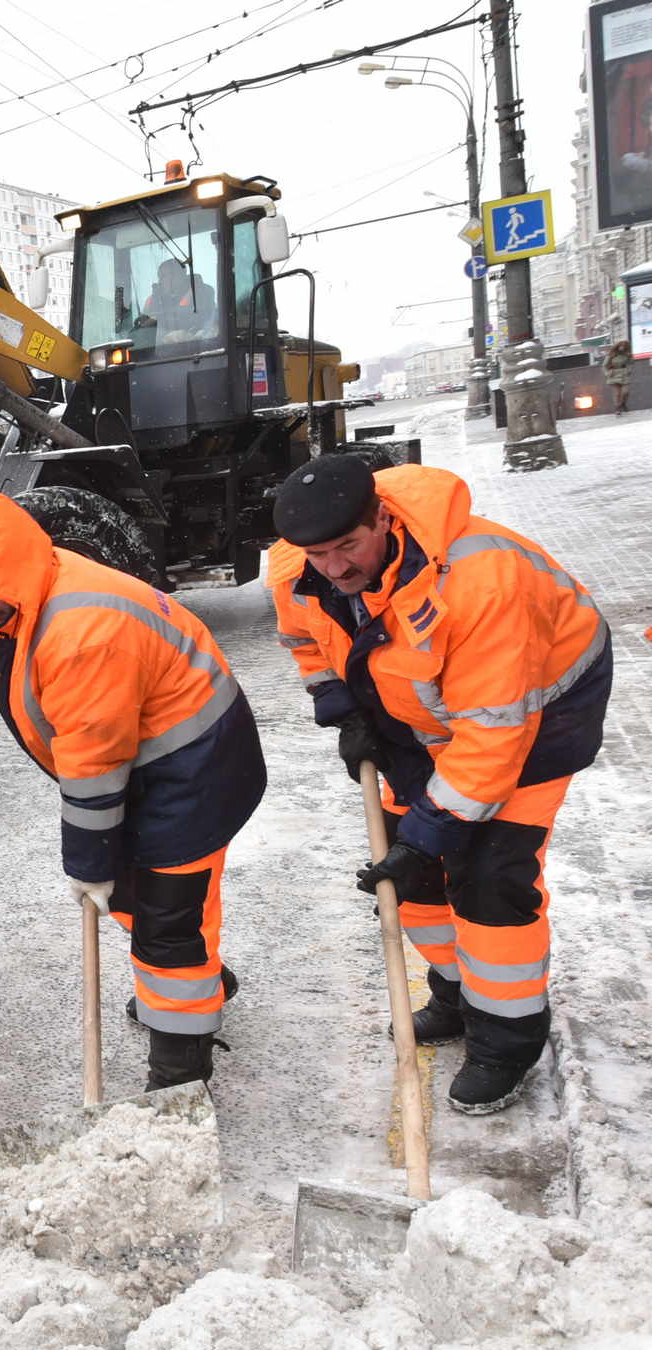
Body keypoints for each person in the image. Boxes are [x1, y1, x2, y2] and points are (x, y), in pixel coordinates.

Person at [270, 454, 612, 1115]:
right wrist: (346, 711)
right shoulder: (299, 568)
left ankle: (506, 1039)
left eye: (349, 545)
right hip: (421, 708)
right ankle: (457, 994)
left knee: (487, 873)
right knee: (412, 877)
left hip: (539, 709)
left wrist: (429, 836)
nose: (335, 567)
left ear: (382, 518)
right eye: (319, 553)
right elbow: (307, 642)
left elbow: (490, 737)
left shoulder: (481, 582)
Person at [0, 491, 265, 1091]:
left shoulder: (83, 629)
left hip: (193, 769)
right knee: (134, 897)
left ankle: (180, 1075)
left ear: (5, 567)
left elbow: (93, 758)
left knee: (165, 924)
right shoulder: (24, 592)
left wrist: (87, 860)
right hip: (149, 762)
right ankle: (200, 985)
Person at [139, 257, 216, 343]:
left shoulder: (200, 293)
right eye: (160, 276)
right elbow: (143, 329)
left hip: (196, 346)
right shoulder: (152, 300)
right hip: (159, 350)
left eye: (164, 276)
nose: (160, 281)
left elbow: (206, 322)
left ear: (179, 276)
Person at [603, 340, 632, 416]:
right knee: (617, 394)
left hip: (624, 374)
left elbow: (630, 363)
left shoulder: (627, 354)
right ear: (617, 346)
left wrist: (629, 370)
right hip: (614, 374)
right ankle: (617, 409)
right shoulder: (612, 354)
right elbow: (604, 365)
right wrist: (607, 373)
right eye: (621, 345)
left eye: (624, 346)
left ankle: (622, 403)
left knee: (626, 392)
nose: (622, 347)